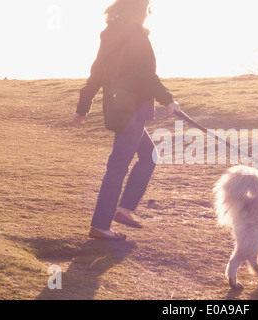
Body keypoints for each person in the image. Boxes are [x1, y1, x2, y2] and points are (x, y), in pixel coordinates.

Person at [73, 0, 180, 240]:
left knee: (149, 156)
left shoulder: (109, 35)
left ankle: (124, 210)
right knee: (118, 166)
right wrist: (168, 100)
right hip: (133, 110)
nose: (147, 14)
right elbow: (146, 76)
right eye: (146, 10)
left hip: (118, 108)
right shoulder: (136, 35)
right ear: (139, 11)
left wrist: (82, 108)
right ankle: (101, 224)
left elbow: (95, 74)